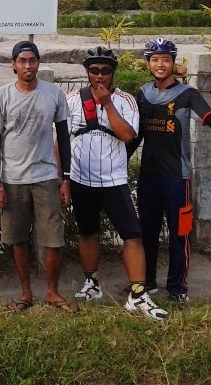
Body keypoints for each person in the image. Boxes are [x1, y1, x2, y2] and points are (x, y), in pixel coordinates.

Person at [63, 47, 168, 321]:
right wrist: (62, 179)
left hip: (113, 180)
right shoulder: (72, 100)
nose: (99, 76)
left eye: (105, 71)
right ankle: (92, 282)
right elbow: (59, 142)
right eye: (94, 70)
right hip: (80, 179)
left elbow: (127, 135)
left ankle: (138, 293)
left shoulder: (125, 101)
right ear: (87, 72)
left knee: (132, 235)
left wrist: (107, 104)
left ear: (113, 73)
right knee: (87, 232)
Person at [129, 38, 211, 304]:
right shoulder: (142, 94)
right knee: (146, 232)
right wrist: (119, 161)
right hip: (149, 175)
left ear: (174, 63)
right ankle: (147, 282)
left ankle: (177, 288)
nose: (160, 64)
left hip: (177, 177)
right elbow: (136, 136)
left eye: (166, 59)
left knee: (179, 233)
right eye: (155, 59)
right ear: (148, 63)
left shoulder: (188, 94)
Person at [0, 40, 77, 313]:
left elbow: (63, 137)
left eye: (32, 60)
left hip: (46, 176)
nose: (28, 65)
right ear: (13, 65)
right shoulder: (2, 96)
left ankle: (52, 291)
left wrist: (66, 179)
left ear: (38, 63)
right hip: (12, 179)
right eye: (22, 61)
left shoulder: (54, 94)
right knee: (17, 238)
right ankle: (25, 293)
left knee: (53, 238)